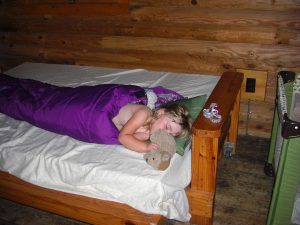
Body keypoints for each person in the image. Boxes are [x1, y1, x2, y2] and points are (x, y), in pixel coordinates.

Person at [112, 102, 193, 153]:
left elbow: (130, 141)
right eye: (167, 127)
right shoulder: (144, 113)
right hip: (107, 108)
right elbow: (122, 138)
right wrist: (145, 147)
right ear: (160, 113)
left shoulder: (148, 134)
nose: (166, 133)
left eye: (171, 135)